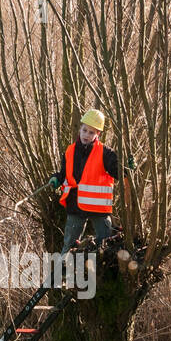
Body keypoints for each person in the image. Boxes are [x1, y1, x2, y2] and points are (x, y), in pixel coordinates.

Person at [49, 108, 133, 252]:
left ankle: (99, 273)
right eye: (85, 130)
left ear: (98, 134)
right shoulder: (69, 151)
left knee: (105, 245)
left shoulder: (106, 153)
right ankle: (62, 272)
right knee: (69, 246)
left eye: (91, 132)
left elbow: (118, 172)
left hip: (99, 208)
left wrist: (128, 169)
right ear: (79, 129)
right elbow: (63, 174)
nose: (86, 135)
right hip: (75, 205)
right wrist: (56, 179)